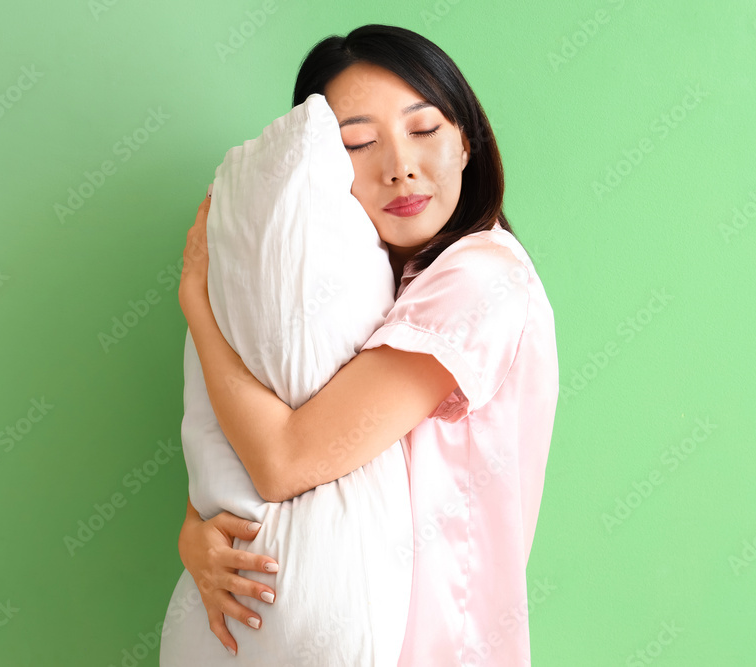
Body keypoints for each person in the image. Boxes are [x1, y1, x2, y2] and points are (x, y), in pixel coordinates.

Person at [177, 23, 559, 666]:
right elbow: (257, 449)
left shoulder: (480, 278)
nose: (400, 166)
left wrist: (196, 302)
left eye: (424, 128)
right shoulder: (375, 286)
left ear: (466, 140)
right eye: (358, 143)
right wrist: (195, 534)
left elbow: (285, 459)